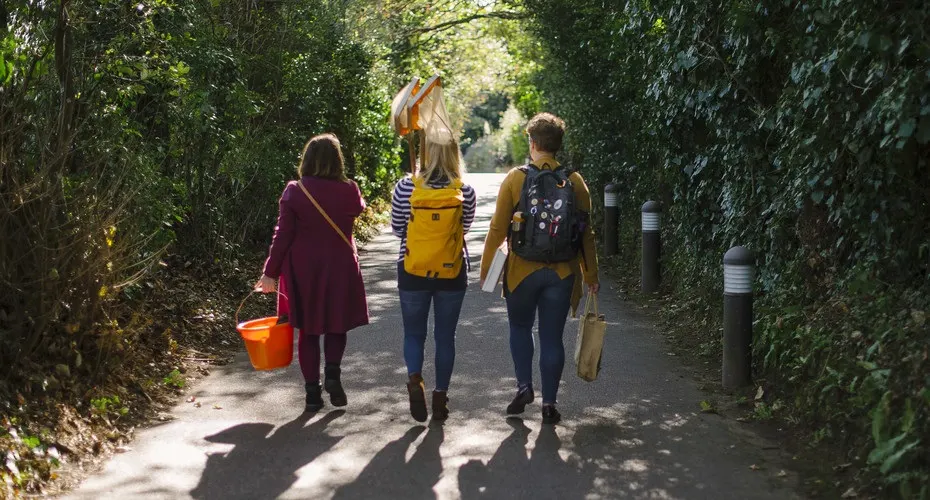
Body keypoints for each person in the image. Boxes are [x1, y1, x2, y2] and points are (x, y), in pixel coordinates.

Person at [479, 113, 599, 425]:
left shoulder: (516, 178)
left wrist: (487, 272)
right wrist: (591, 276)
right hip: (562, 273)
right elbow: (586, 232)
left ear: (532, 143)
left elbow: (496, 230)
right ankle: (549, 404)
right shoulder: (576, 182)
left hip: (522, 271)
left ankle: (523, 386)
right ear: (558, 146)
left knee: (520, 328)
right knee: (552, 338)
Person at [257, 133, 369, 412]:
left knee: (308, 331)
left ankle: (311, 393)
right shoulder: (350, 189)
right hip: (340, 265)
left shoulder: (295, 191)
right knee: (337, 324)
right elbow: (359, 208)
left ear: (306, 160)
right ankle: (332, 373)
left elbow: (282, 236)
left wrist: (269, 272)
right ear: (337, 160)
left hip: (304, 270)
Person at [391, 138, 477, 422]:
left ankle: (415, 379)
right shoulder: (465, 191)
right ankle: (440, 395)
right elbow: (464, 229)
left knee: (414, 334)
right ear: (455, 155)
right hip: (451, 271)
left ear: (424, 152)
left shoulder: (406, 188)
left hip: (413, 268)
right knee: (445, 336)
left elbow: (397, 228)